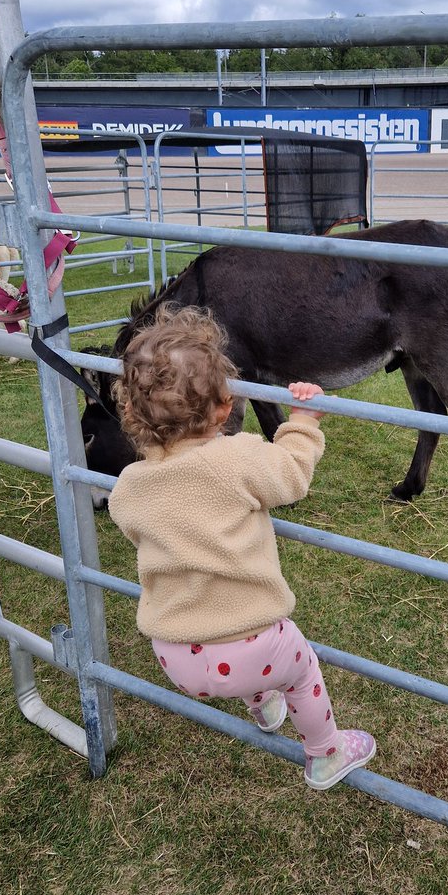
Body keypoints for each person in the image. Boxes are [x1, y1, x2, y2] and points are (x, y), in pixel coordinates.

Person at [107, 304, 376, 791]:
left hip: (174, 656)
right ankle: (326, 753)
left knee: (225, 619)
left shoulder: (129, 487)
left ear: (132, 413)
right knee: (300, 667)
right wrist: (303, 421)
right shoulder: (239, 458)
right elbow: (292, 473)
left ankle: (262, 704)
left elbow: (134, 528)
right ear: (225, 406)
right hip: (253, 650)